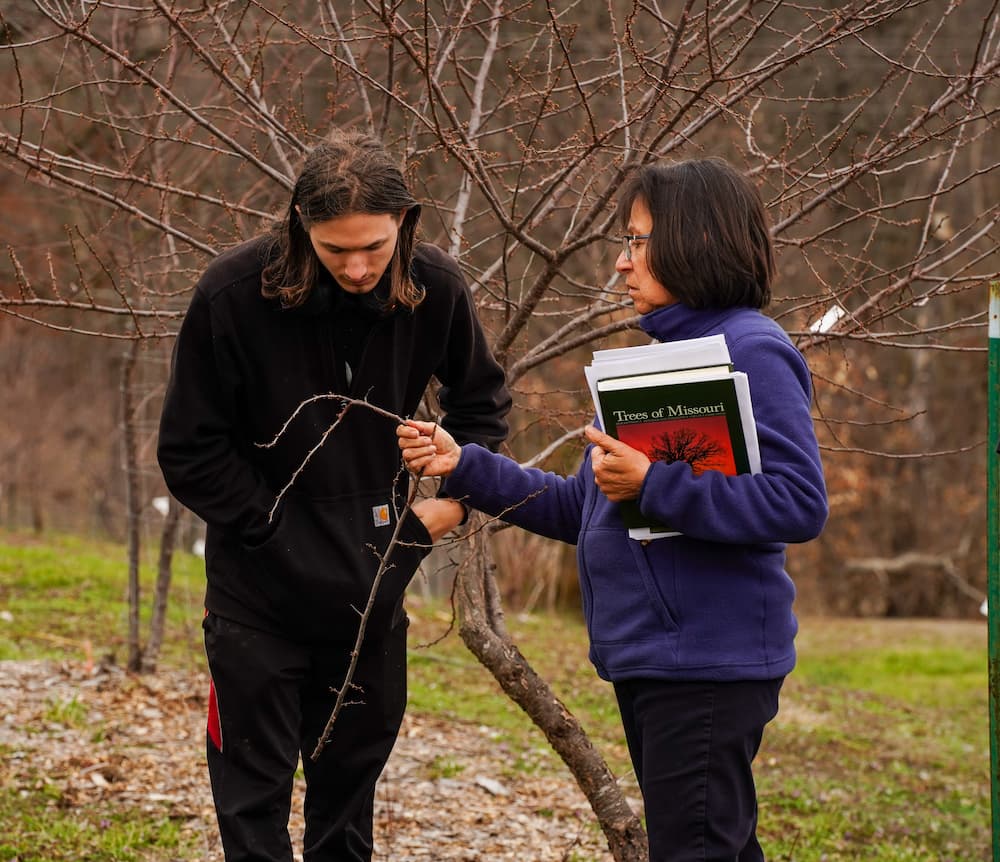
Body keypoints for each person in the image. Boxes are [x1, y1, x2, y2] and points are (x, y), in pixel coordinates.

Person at [397, 158, 828, 861]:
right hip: (659, 659)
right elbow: (585, 509)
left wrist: (656, 485)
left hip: (706, 663)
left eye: (637, 241)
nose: (622, 265)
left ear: (695, 241)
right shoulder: (661, 358)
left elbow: (798, 502)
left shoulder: (750, 349)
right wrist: (464, 466)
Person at [157, 130, 511, 862]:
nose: (356, 268)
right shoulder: (232, 294)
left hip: (372, 591)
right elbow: (189, 450)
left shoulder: (435, 288)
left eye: (374, 248)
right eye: (335, 249)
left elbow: (483, 407)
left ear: (406, 224)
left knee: (347, 811)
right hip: (256, 598)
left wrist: (449, 500)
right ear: (298, 226)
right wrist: (271, 526)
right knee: (251, 806)